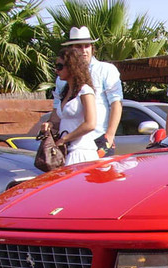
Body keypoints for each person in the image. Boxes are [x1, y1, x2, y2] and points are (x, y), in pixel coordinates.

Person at [50, 26, 123, 157]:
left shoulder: (106, 70)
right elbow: (56, 110)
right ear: (70, 51)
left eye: (87, 46)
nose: (84, 50)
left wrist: (110, 136)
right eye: (78, 46)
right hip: (70, 142)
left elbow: (116, 104)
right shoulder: (62, 78)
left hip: (99, 137)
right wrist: (51, 128)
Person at [42, 47, 98, 165]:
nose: (57, 70)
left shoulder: (85, 91)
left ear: (72, 66)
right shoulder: (65, 92)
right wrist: (50, 125)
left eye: (60, 66)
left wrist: (65, 139)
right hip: (66, 151)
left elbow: (90, 124)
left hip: (82, 151)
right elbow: (58, 120)